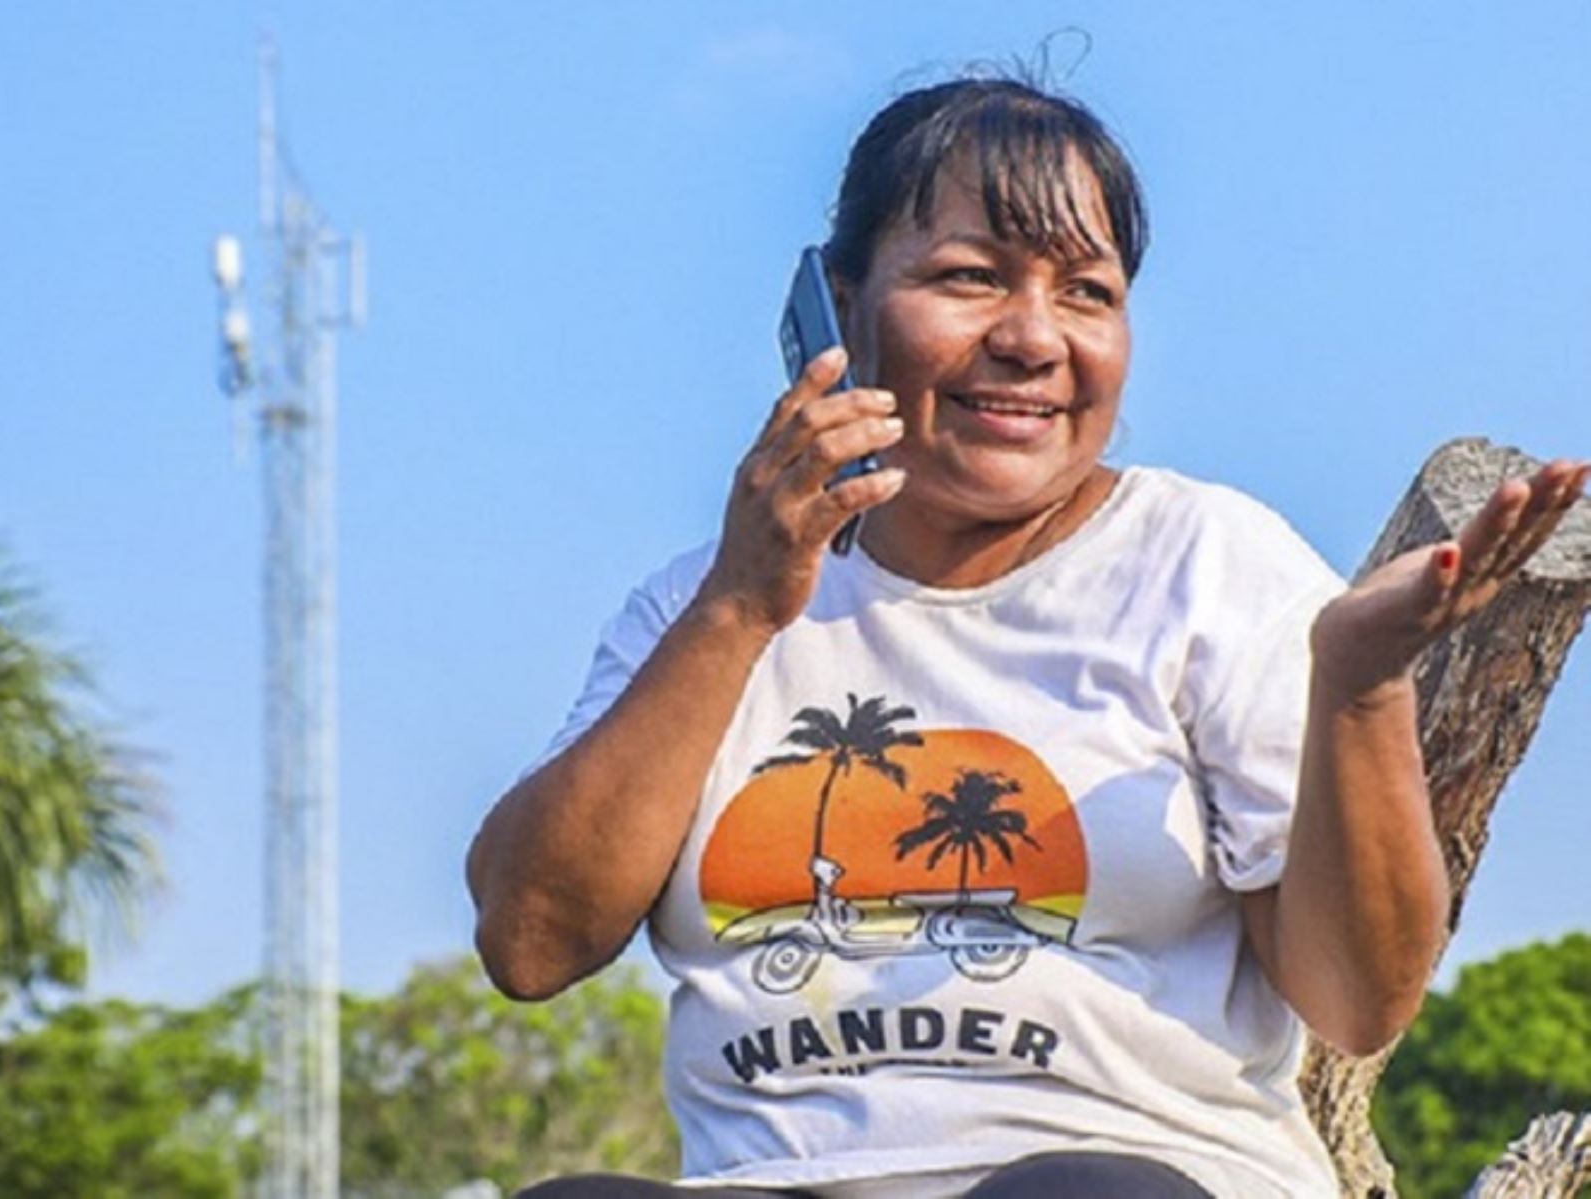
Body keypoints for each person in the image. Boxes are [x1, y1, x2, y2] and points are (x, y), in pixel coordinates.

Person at [466, 74, 1588, 1199]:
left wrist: (1357, 686)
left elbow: (1357, 998)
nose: (1033, 339)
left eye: (1088, 293)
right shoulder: (701, 608)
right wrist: (739, 606)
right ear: (836, 307)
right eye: (969, 278)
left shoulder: (1206, 560)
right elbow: (530, 940)